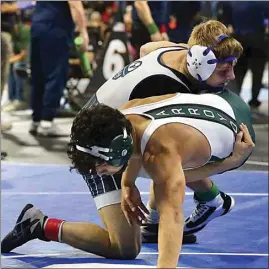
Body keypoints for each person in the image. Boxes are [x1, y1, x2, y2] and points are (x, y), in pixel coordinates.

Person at [1, 90, 255, 268]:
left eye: (100, 166)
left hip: (230, 132)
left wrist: (230, 163)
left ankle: (40, 225)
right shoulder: (125, 117)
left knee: (134, 234)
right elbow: (140, 145)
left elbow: (173, 216)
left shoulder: (160, 153)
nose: (97, 171)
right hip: (222, 104)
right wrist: (127, 182)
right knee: (161, 178)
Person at [28, 1, 89, 137]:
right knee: (55, 74)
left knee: (38, 75)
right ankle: (47, 121)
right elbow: (75, 5)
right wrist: (83, 31)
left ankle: (36, 120)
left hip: (37, 26)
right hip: (55, 27)